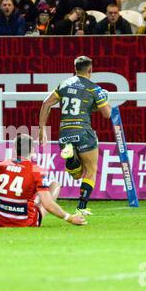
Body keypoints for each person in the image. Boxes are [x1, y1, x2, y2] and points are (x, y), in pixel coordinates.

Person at [38, 56, 111, 216]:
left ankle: (71, 159)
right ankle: (81, 207)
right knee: (91, 170)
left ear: (75, 68)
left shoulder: (63, 84)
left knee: (77, 174)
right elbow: (107, 114)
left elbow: (46, 104)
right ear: (90, 70)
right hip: (83, 131)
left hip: (64, 132)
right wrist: (105, 101)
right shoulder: (94, 88)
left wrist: (42, 129)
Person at [0, 134, 87, 228]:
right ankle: (33, 203)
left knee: (30, 192)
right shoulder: (37, 171)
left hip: (1, 221)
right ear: (32, 151)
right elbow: (48, 205)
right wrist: (70, 218)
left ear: (14, 149)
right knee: (54, 185)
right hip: (26, 222)